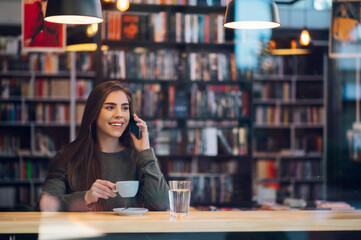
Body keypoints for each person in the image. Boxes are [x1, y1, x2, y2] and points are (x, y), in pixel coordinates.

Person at [39, 81, 169, 211]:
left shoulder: (140, 158)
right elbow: (46, 205)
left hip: (129, 231)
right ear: (94, 114)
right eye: (110, 107)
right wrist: (86, 197)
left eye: (125, 108)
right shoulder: (68, 156)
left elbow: (162, 205)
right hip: (85, 231)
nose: (119, 114)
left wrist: (145, 152)